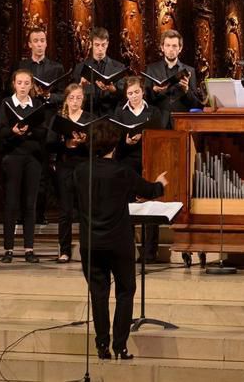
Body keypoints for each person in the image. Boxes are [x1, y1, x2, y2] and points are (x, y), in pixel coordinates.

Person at [75, 120, 169, 361]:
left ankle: (102, 346)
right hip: (118, 242)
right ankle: (120, 346)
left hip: (90, 243)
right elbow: (149, 190)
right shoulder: (122, 171)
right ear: (114, 145)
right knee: (125, 291)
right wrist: (160, 183)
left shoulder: (80, 171)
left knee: (98, 293)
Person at [113, 77, 167, 261]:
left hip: (149, 161)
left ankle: (150, 252)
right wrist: (125, 141)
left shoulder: (153, 112)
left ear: (143, 92)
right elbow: (114, 142)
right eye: (130, 93)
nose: (134, 96)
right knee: (127, 207)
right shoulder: (120, 113)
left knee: (150, 205)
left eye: (137, 92)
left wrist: (144, 137)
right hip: (127, 163)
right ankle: (128, 249)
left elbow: (160, 137)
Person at [0, 69, 48, 263]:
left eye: (27, 83)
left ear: (31, 85)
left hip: (33, 158)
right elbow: (1, 132)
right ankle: (8, 249)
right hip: (13, 157)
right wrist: (13, 131)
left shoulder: (37, 105)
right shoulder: (7, 104)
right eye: (20, 83)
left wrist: (28, 131)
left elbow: (43, 131)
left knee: (30, 204)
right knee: (11, 203)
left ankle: (29, 249)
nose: (23, 87)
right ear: (14, 84)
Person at [50, 83, 95, 262]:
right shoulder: (59, 118)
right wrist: (66, 144)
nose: (75, 101)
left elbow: (98, 145)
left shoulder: (89, 118)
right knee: (65, 211)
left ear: (83, 99)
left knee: (86, 210)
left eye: (78, 98)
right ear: (66, 99)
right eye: (71, 98)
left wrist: (85, 141)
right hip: (65, 166)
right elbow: (49, 144)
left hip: (84, 165)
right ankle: (65, 250)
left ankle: (87, 249)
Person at [143, 30, 199, 116]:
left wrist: (186, 90)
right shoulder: (152, 69)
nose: (171, 49)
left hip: (181, 120)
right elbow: (145, 100)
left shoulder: (189, 70)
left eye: (174, 46)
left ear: (180, 48)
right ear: (162, 47)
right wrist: (154, 91)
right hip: (159, 120)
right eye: (167, 45)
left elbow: (195, 104)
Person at [72, 28, 127, 116]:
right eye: (97, 45)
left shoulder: (118, 67)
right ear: (91, 44)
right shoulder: (80, 67)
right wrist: (80, 87)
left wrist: (114, 90)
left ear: (107, 44)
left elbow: (125, 97)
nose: (100, 49)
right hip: (86, 116)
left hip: (110, 116)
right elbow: (71, 96)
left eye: (103, 45)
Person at [15, 26, 66, 103]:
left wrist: (48, 95)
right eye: (35, 41)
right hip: (25, 110)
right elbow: (10, 92)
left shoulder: (57, 67)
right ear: (30, 44)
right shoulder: (20, 66)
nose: (39, 44)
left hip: (48, 111)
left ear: (46, 44)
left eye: (42, 41)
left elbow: (63, 95)